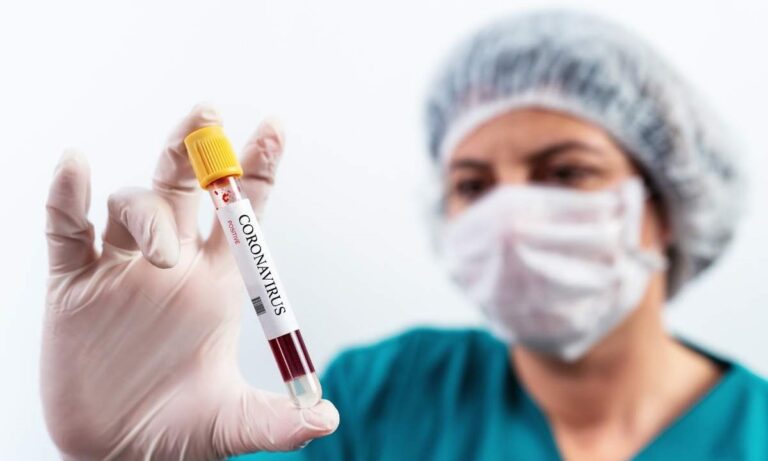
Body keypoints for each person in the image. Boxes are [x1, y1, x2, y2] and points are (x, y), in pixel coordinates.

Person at [42, 10, 768, 461]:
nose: (512, 217)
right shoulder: (378, 398)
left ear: (669, 203)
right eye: (474, 185)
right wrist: (123, 451)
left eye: (565, 171)